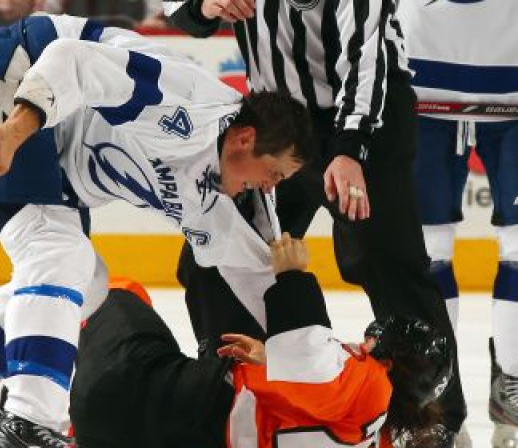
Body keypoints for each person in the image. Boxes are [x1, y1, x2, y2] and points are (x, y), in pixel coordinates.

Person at [0, 13, 312, 448]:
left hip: (48, 151)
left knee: (86, 286)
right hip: (5, 78)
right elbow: (71, 59)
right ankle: (29, 424)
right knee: (58, 255)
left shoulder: (228, 208)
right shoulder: (189, 105)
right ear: (245, 139)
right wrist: (14, 134)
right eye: (273, 172)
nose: (271, 187)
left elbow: (261, 290)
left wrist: (323, 366)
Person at [162, 1, 469, 445]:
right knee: (211, 257)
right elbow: (179, 10)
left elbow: (366, 57)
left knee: (387, 260)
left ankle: (431, 416)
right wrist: (202, 6)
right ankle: (233, 388)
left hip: (368, 119)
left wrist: (350, 148)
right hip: (275, 120)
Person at [70, 234, 454, 448]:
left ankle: (32, 386)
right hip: (158, 433)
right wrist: (272, 358)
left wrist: (293, 278)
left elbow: (316, 368)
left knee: (105, 290)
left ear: (393, 358)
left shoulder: (372, 387)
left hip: (150, 401)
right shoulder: (373, 437)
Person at [396, 1, 518, 447]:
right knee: (427, 252)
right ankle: (436, 399)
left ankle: (512, 393)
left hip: (512, 90)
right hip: (421, 95)